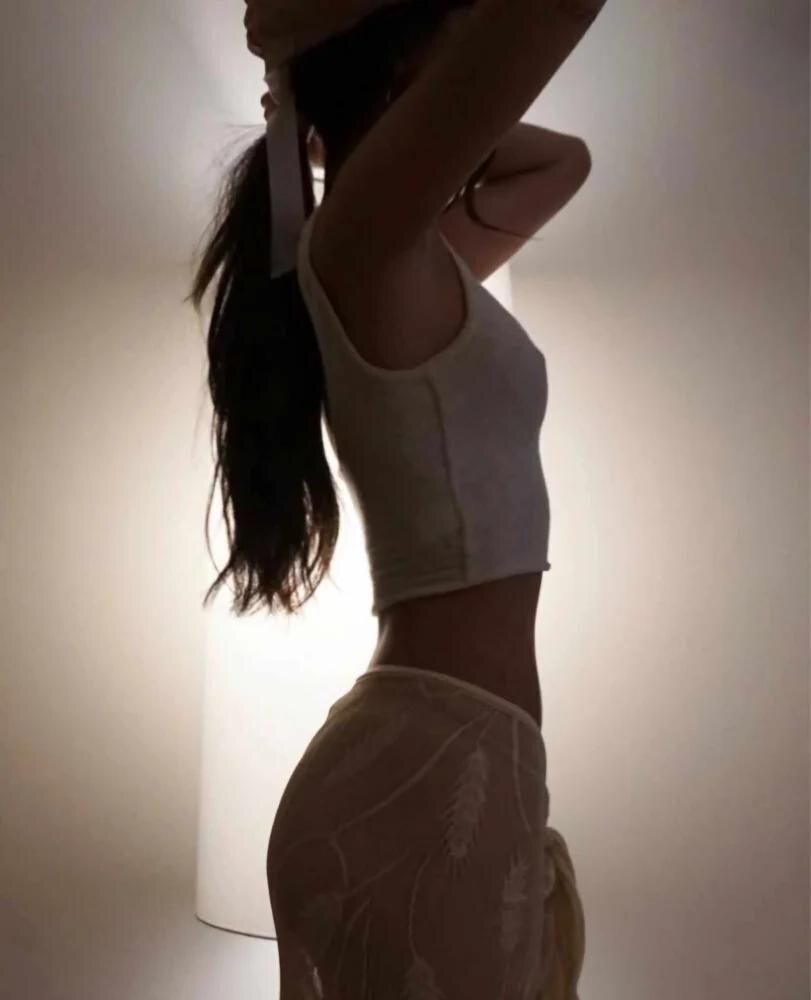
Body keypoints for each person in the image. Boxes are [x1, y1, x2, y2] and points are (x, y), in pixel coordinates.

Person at [189, 0, 609, 995]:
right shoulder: (359, 245)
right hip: (434, 768)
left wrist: (329, 109)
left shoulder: (394, 258)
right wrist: (342, 98)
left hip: (441, 756)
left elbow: (559, 166)